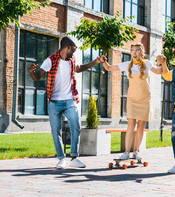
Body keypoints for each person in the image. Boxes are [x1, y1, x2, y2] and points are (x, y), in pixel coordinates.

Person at [29, 36, 104, 169]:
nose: (74, 52)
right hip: (54, 102)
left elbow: (79, 68)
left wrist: (95, 61)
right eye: (74, 49)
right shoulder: (50, 60)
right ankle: (61, 159)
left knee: (75, 126)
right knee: (55, 130)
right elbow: (37, 77)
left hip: (70, 100)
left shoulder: (71, 60)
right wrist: (31, 72)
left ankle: (74, 157)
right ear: (67, 47)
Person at [101, 43, 164, 160]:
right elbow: (109, 68)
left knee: (140, 127)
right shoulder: (127, 65)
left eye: (137, 50)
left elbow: (158, 71)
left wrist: (160, 62)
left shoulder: (147, 64)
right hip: (132, 99)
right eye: (132, 51)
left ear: (142, 53)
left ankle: (136, 152)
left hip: (145, 99)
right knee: (130, 125)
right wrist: (103, 61)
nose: (134, 53)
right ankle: (126, 152)